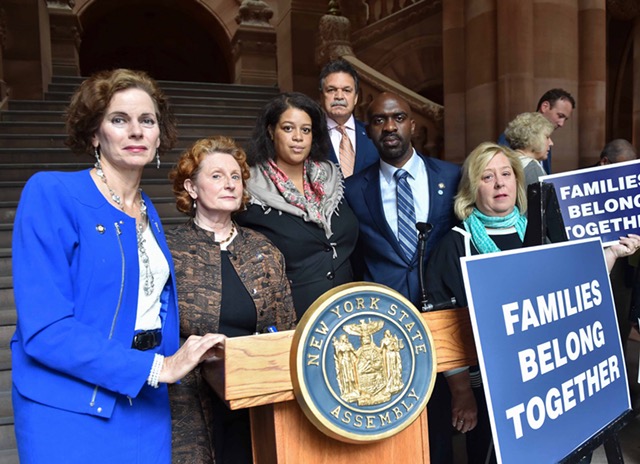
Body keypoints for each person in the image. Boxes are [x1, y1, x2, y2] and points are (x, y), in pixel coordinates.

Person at [10, 68, 225, 464]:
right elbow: (45, 330)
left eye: (147, 121)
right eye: (119, 120)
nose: (136, 131)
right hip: (69, 408)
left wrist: (189, 353)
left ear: (160, 137)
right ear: (95, 133)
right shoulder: (52, 193)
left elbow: (147, 310)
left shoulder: (150, 214)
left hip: (144, 403)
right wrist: (157, 367)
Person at [426, 141, 640, 464]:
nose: (499, 184)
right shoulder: (455, 245)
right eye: (487, 177)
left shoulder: (543, 231)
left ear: (517, 180)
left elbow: (577, 290)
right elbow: (445, 323)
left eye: (506, 174)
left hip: (550, 385)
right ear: (471, 189)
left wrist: (611, 254)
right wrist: (460, 391)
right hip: (490, 391)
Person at [343, 91, 461, 463]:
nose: (389, 126)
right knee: (393, 424)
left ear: (412, 123)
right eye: (379, 120)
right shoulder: (353, 190)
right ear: (369, 130)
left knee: (443, 421)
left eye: (397, 118)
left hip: (443, 319)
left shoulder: (451, 176)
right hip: (385, 327)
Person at [165, 135, 296, 464]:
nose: (229, 184)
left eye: (235, 176)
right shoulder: (168, 250)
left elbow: (285, 332)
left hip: (255, 395)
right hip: (189, 401)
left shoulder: (262, 250)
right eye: (217, 176)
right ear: (192, 189)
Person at [235, 92, 358, 320]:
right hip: (291, 318)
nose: (298, 137)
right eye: (288, 128)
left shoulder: (333, 177)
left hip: (346, 311)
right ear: (272, 132)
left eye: (306, 130)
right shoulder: (248, 189)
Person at [319, 58, 379, 178]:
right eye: (331, 90)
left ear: (356, 97)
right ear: (321, 96)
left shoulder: (373, 134)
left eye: (346, 90)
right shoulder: (311, 135)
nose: (339, 96)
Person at [498, 88, 575, 173]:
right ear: (545, 107)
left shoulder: (546, 141)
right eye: (560, 116)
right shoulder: (512, 136)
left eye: (565, 119)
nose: (562, 124)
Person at [504, 112, 554, 186]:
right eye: (547, 137)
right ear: (534, 139)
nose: (551, 143)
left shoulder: (505, 162)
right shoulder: (532, 168)